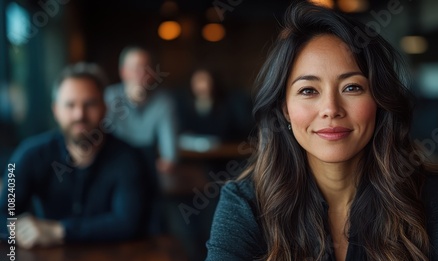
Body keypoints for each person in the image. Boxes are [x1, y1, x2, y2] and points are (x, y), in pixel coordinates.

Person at [199, 3, 438, 261]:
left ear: (379, 100)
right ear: (285, 108)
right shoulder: (245, 206)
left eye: (352, 87)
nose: (331, 108)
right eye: (308, 90)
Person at [0, 63, 145, 248]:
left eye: (89, 104)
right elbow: (3, 213)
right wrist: (17, 229)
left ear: (105, 107)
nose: (79, 114)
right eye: (70, 105)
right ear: (56, 110)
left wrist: (59, 230)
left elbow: (129, 224)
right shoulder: (29, 154)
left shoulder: (129, 158)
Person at [105, 46, 178, 234]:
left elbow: (170, 155)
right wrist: (127, 102)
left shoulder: (164, 101)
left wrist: (164, 163)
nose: (141, 73)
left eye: (146, 68)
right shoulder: (109, 97)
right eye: (135, 67)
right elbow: (99, 138)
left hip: (147, 170)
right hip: (111, 169)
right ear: (123, 72)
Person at [176, 67, 252, 142]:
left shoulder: (227, 105)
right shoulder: (184, 106)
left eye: (205, 81)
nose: (202, 87)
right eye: (198, 81)